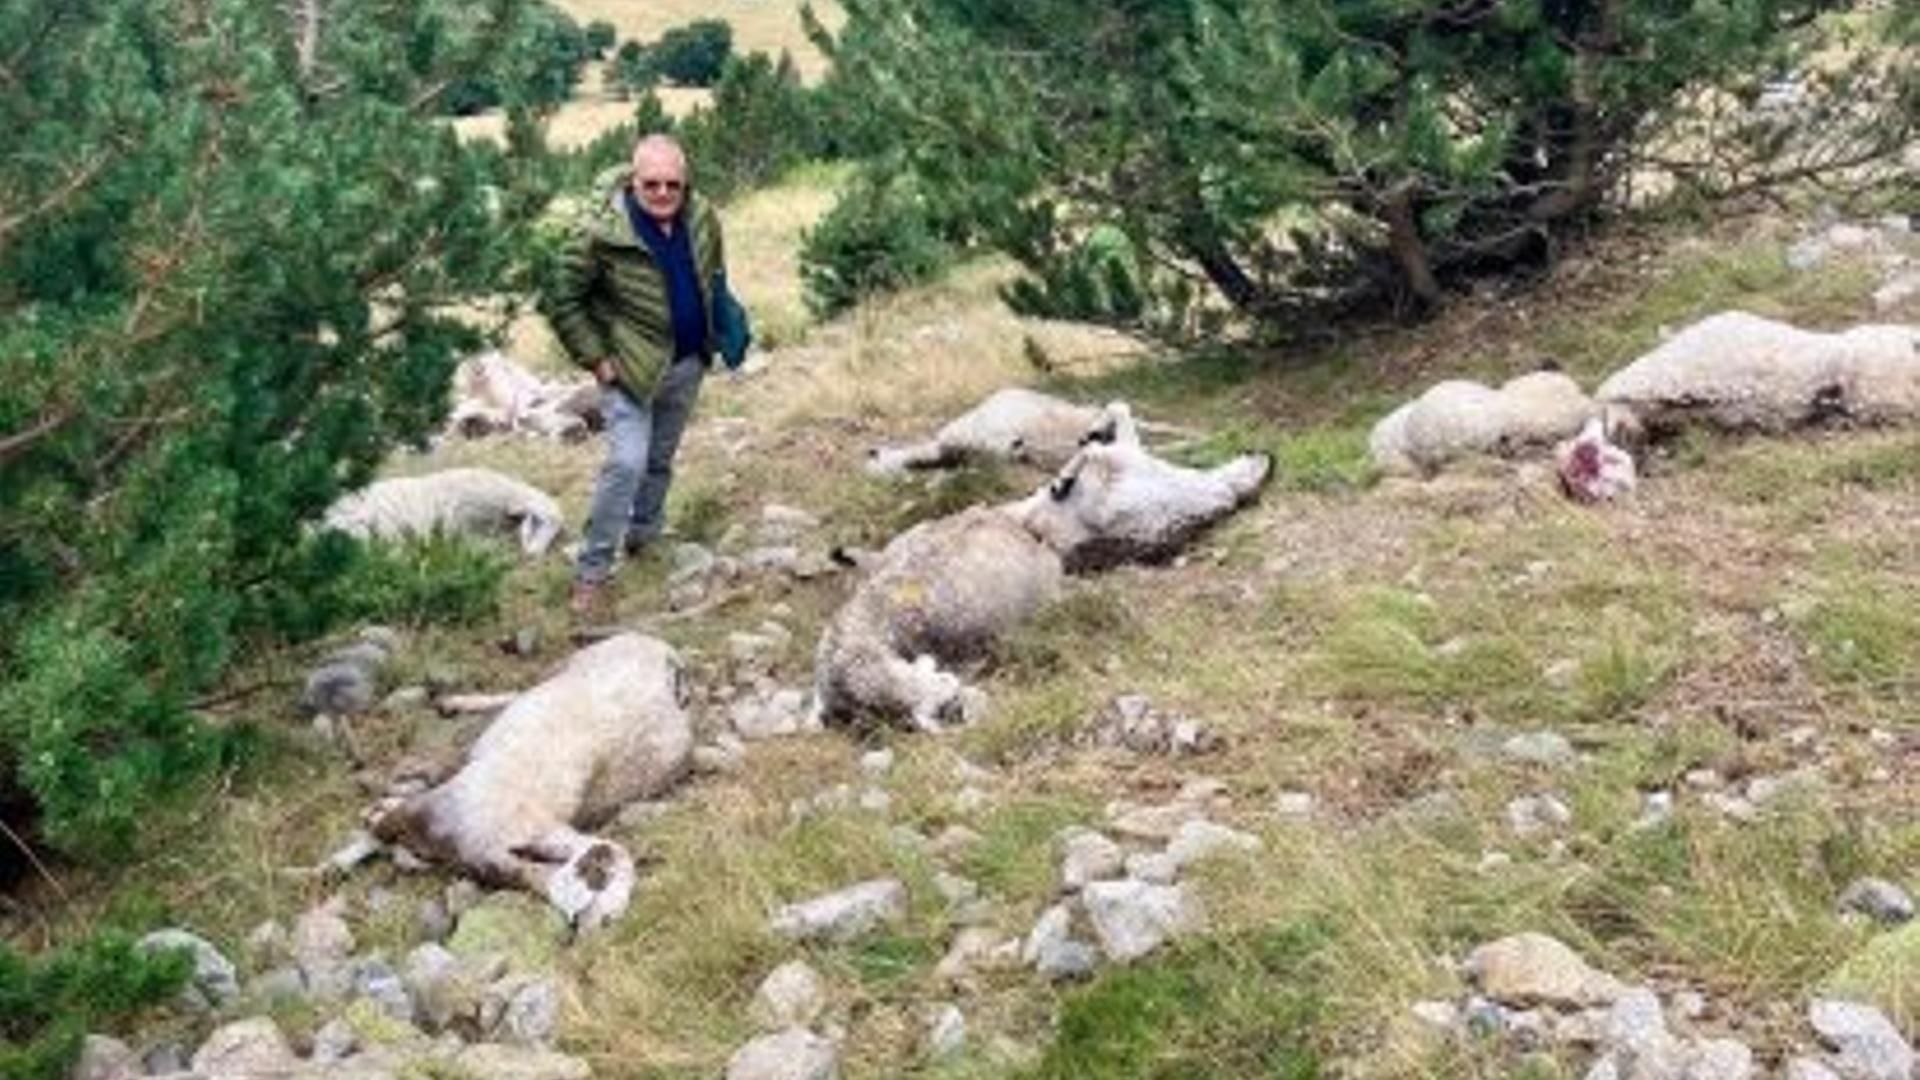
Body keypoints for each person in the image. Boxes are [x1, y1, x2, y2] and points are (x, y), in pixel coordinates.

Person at [543, 134, 730, 616]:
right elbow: (562, 299)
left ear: (685, 182)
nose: (664, 193)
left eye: (673, 184)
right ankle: (592, 571)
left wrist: (722, 325)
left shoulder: (702, 214)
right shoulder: (600, 229)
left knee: (659, 459)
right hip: (628, 370)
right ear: (634, 179)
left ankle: (644, 538)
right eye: (652, 185)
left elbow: (713, 273)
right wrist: (598, 361)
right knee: (626, 464)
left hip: (687, 364)